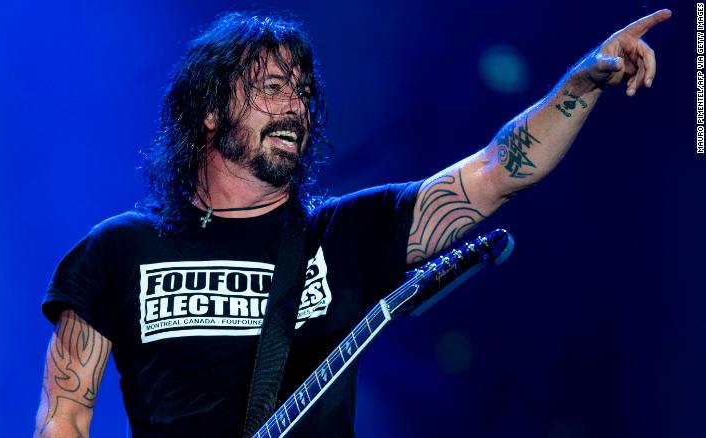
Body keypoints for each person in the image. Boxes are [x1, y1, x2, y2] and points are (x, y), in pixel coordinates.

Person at [34, 9, 671, 438]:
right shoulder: (116, 250)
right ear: (207, 112)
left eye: (303, 90)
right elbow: (64, 416)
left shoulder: (347, 235)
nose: (294, 105)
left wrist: (583, 81)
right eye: (270, 88)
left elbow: (499, 168)